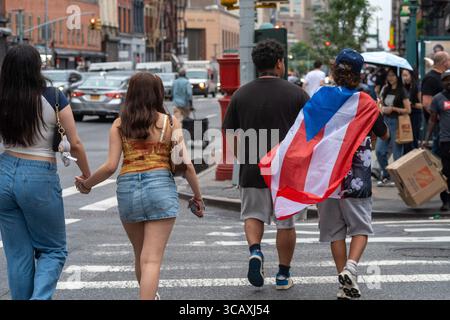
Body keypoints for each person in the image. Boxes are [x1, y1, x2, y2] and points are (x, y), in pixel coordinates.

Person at [75, 72, 204, 300]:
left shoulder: (120, 124)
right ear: (158, 94)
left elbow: (110, 166)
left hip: (128, 189)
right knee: (152, 259)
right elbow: (187, 165)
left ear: (131, 93)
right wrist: (198, 196)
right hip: (160, 187)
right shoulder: (169, 123)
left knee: (140, 255)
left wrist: (87, 184)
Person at [0, 44, 91, 300]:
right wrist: (87, 176)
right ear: (36, 67)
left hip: (4, 170)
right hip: (38, 173)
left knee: (18, 254)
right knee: (53, 250)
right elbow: (75, 143)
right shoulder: (53, 96)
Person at [223, 39, 309, 290]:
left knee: (252, 215)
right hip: (285, 171)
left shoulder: (241, 94)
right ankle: (283, 275)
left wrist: (242, 158)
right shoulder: (297, 94)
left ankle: (256, 251)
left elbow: (229, 132)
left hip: (252, 166)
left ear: (256, 65)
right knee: (286, 223)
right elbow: (310, 132)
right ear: (280, 63)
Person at [316, 49, 389, 300]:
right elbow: (384, 133)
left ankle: (343, 283)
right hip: (356, 172)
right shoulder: (365, 101)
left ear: (335, 71)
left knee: (335, 232)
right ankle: (351, 268)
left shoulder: (322, 96)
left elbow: (306, 130)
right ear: (358, 74)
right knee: (360, 227)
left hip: (326, 174)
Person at [375, 67, 411, 186]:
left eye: (392, 75)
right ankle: (385, 175)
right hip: (385, 121)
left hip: (397, 123)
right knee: (379, 151)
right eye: (388, 75)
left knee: (397, 153)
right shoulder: (386, 89)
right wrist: (382, 107)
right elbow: (381, 103)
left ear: (397, 77)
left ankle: (397, 178)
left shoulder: (402, 91)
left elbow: (408, 109)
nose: (390, 78)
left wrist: (393, 109)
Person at [423, 70, 450, 211]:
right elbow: (432, 120)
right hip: (445, 140)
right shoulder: (438, 99)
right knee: (445, 172)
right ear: (442, 82)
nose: (449, 81)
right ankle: (445, 200)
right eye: (446, 79)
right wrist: (426, 140)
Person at [422, 51, 450, 156]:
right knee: (438, 150)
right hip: (439, 125)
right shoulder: (431, 78)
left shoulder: (442, 76)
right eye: (449, 60)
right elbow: (426, 103)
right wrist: (442, 116)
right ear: (444, 62)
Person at [402, 69, 423, 153]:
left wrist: (411, 104)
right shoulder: (403, 87)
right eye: (403, 75)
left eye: (406, 75)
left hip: (415, 115)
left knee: (413, 139)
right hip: (405, 116)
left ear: (411, 75)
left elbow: (422, 105)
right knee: (405, 140)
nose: (404, 78)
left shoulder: (417, 86)